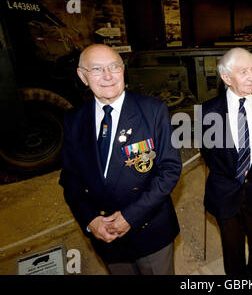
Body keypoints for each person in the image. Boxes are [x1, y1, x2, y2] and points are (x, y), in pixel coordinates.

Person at [59, 44, 182, 275]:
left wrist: (131, 216)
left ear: (123, 70)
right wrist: (90, 220)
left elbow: (170, 169)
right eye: (96, 69)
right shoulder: (73, 120)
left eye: (114, 67)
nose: (107, 76)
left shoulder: (153, 110)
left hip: (150, 231)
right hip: (105, 236)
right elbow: (70, 178)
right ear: (82, 76)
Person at [199, 47, 252, 275]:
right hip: (225, 196)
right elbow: (208, 153)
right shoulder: (207, 112)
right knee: (232, 254)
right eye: (243, 71)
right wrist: (233, 171)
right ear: (226, 77)